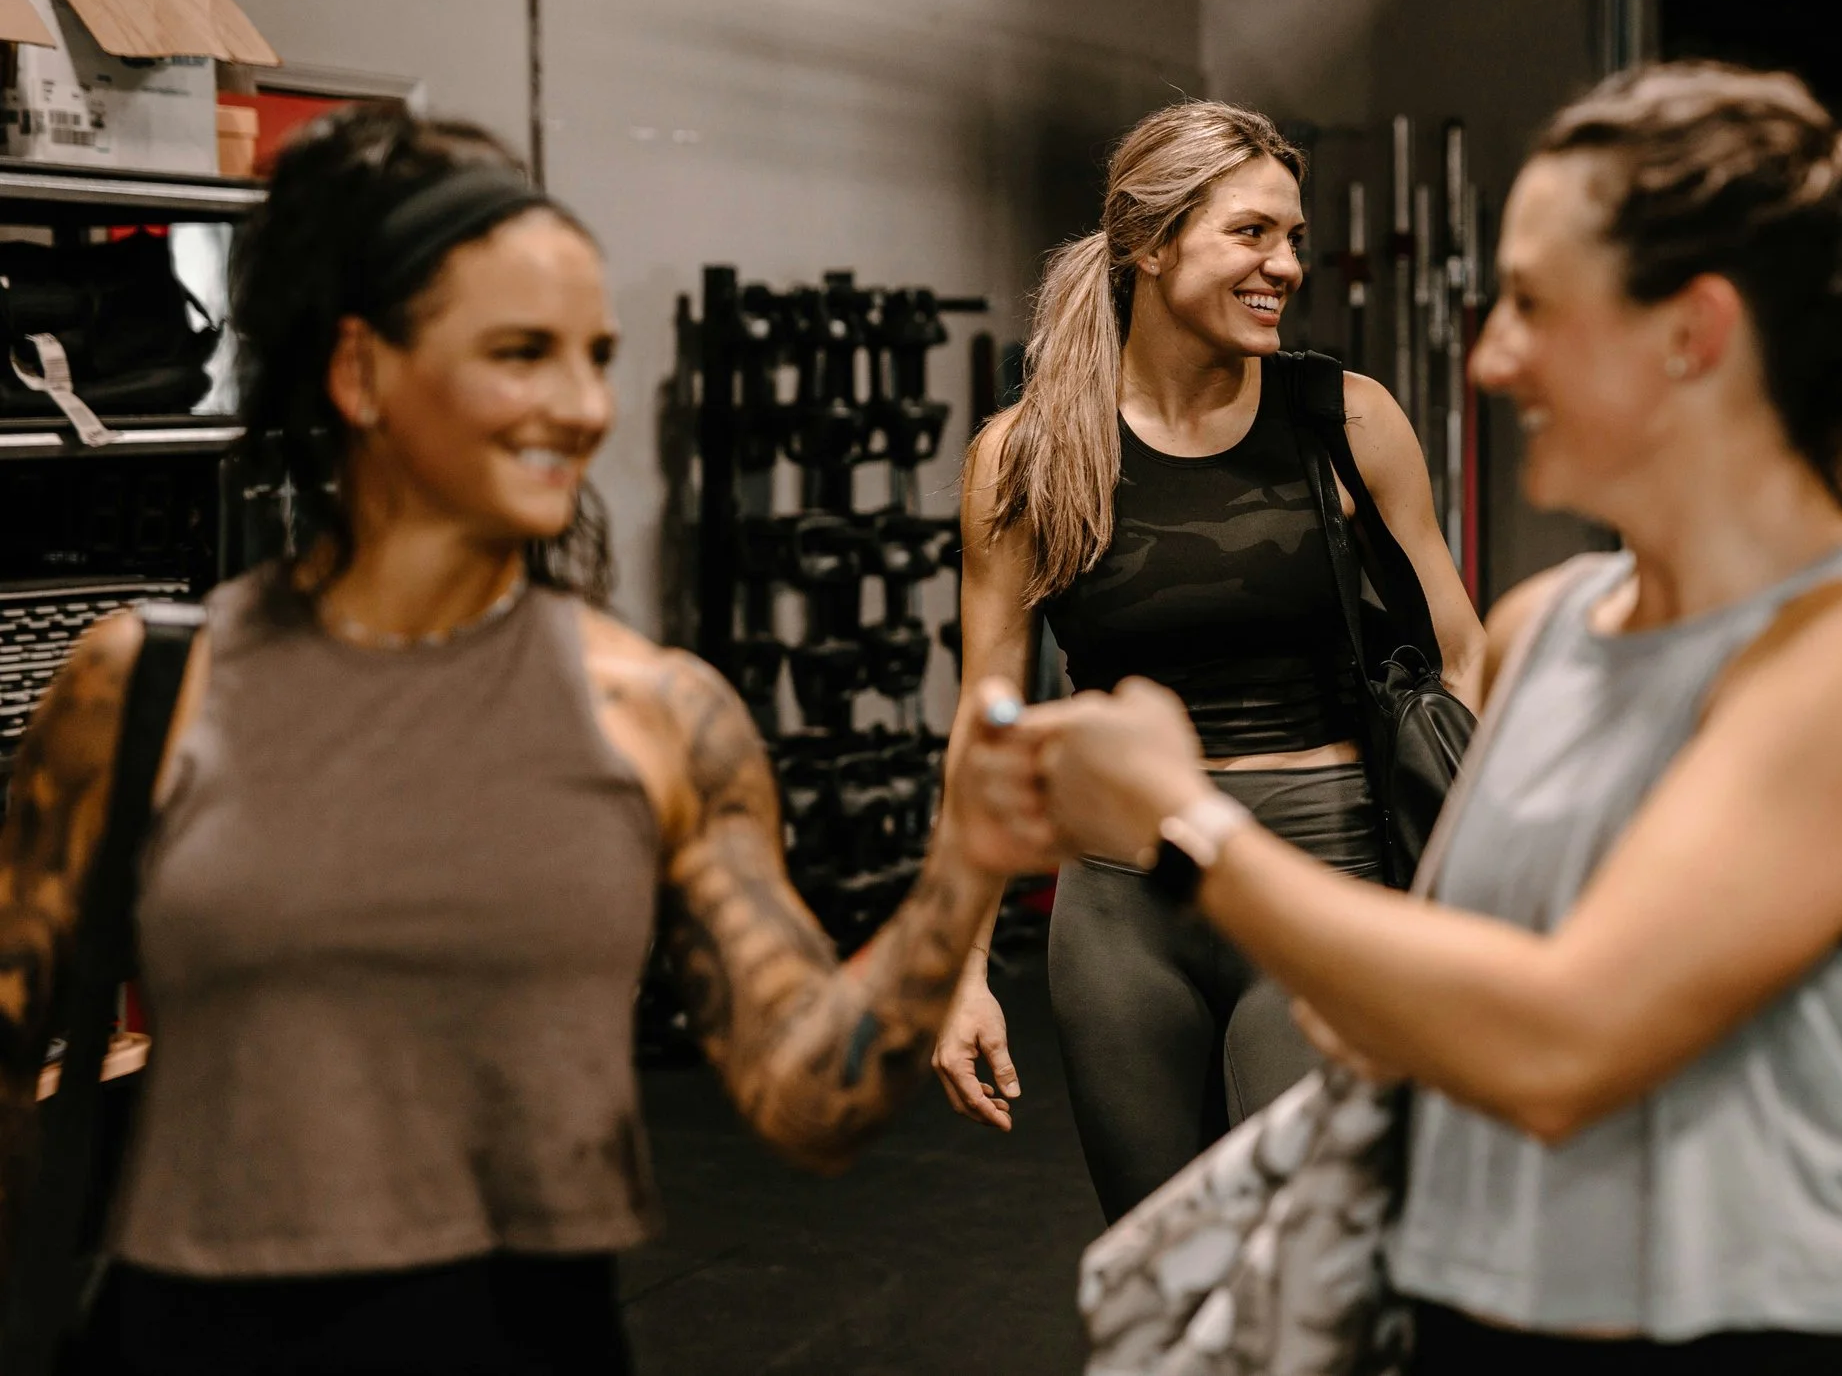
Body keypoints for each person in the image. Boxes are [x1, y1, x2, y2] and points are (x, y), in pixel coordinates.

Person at [963, 61, 1842, 1372]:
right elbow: (1398, 1001)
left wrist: (1184, 824)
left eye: (1536, 306)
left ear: (1694, 332)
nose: (1492, 356)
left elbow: (1563, 1038)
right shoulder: (1555, 619)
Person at [0, 104, 1058, 1374]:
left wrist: (963, 875)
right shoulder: (145, 686)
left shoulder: (655, 714)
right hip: (191, 1336)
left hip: (516, 1338)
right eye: (521, 352)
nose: (581, 405)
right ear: (361, 372)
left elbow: (809, 1097)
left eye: (595, 355)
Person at [929, 100, 1484, 1219]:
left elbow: (1463, 657)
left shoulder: (1344, 419)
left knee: (1295, 1266)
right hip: (1121, 910)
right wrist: (960, 963)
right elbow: (983, 727)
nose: (1283, 264)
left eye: (1290, 240)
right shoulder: (1028, 455)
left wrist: (1448, 890)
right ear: (1149, 241)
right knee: (1161, 1269)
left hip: (1319, 877)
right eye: (1251, 234)